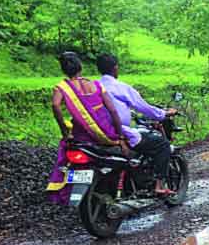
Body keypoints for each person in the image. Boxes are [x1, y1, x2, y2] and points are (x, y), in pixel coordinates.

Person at [46, 52, 127, 204]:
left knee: (66, 152)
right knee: (129, 155)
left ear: (63, 69)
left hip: (81, 134)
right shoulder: (96, 85)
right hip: (105, 132)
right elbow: (113, 111)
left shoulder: (62, 87)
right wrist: (119, 136)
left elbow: (55, 105)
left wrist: (64, 129)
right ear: (80, 67)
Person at [96, 53, 177, 196]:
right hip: (119, 131)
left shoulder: (93, 87)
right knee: (162, 144)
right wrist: (164, 113)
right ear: (115, 68)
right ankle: (159, 185)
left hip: (97, 132)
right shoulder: (120, 87)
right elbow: (143, 107)